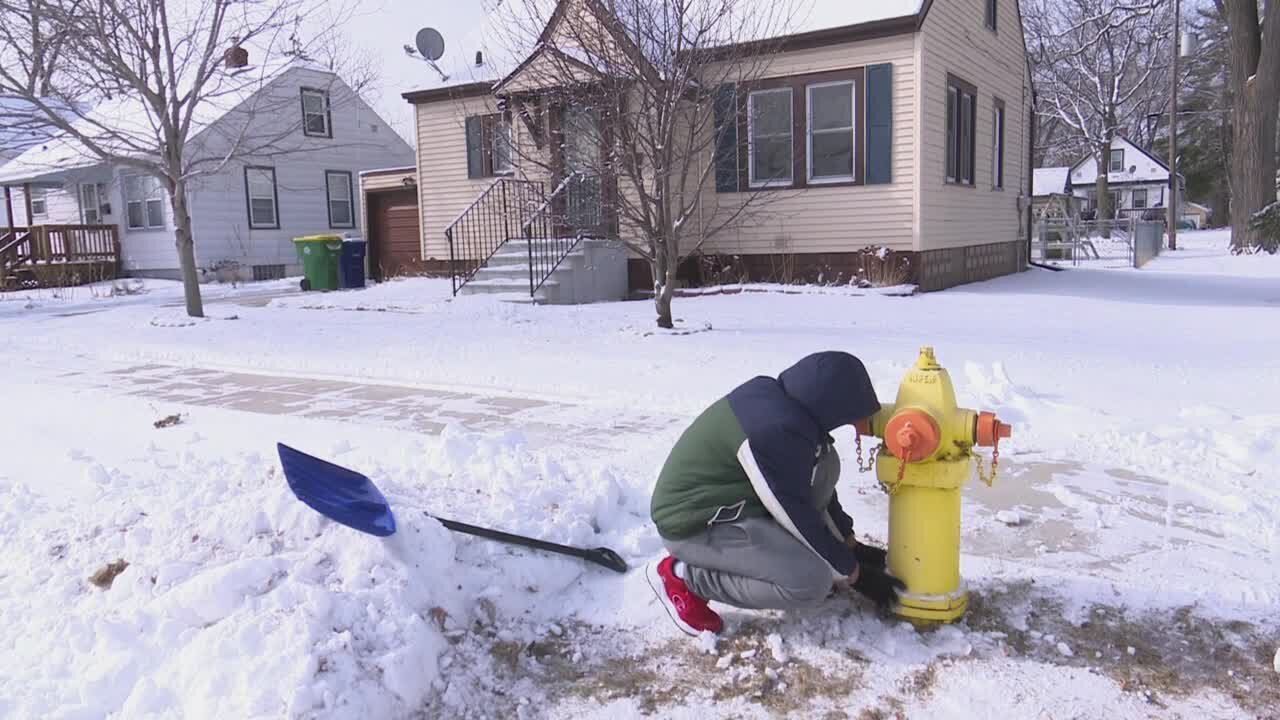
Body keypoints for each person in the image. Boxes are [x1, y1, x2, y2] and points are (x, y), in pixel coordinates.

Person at [646, 351, 906, 635]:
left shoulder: (785, 407)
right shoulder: (772, 430)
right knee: (810, 583)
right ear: (832, 406)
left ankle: (820, 555)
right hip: (694, 526)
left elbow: (807, 485)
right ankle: (686, 578)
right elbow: (792, 510)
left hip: (734, 504)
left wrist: (848, 544)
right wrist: (854, 574)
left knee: (826, 462)